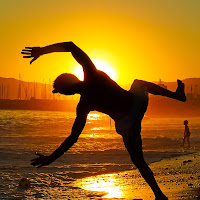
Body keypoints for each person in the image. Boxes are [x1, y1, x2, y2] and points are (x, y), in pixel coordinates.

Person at [21, 42, 186, 200]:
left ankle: (159, 195)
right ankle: (176, 95)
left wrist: (51, 158)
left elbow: (73, 137)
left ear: (66, 93)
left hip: (128, 123)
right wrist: (41, 51)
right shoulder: (92, 74)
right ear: (72, 77)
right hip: (136, 103)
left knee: (138, 161)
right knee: (138, 83)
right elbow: (70, 46)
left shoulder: (84, 104)